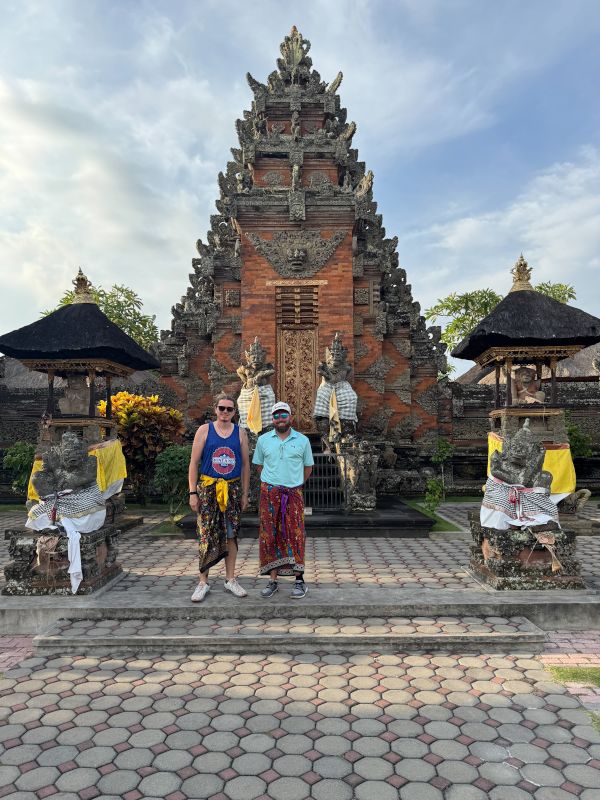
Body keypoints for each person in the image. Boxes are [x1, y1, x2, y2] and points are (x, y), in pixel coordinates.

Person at [188, 393, 250, 602]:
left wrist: (244, 492)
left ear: (234, 412)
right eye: (221, 408)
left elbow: (245, 466)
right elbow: (193, 463)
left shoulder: (240, 433)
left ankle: (230, 579)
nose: (225, 412)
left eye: (229, 409)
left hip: (231, 491)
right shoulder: (205, 431)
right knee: (206, 533)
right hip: (208, 489)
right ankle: (203, 581)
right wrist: (192, 493)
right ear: (215, 409)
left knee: (231, 534)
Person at [253, 401, 314, 599]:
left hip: (293, 494)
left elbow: (308, 467)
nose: (280, 419)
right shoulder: (263, 440)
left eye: (283, 415)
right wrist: (274, 484)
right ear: (272, 419)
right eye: (276, 416)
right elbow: (259, 466)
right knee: (270, 535)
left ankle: (299, 580)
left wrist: (293, 484)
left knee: (295, 534)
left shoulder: (303, 440)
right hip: (269, 494)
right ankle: (273, 580)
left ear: (290, 417)